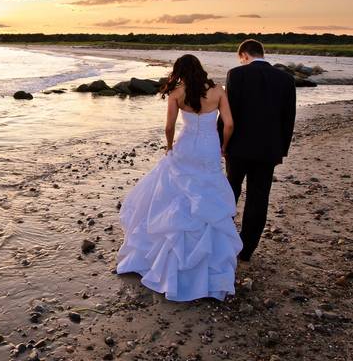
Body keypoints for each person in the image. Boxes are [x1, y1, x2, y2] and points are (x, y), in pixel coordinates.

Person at [116, 54, 242, 301]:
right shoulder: (217, 91)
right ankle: (209, 267)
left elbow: (169, 126)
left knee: (178, 197)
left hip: (185, 147)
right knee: (207, 197)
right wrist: (224, 147)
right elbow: (229, 124)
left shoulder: (176, 93)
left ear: (179, 71)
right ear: (200, 69)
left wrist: (169, 146)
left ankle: (171, 261)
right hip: (208, 148)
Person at [221, 39, 296, 262]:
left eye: (241, 59)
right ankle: (247, 249)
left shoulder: (236, 75)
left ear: (244, 55)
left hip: (238, 148)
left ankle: (223, 239)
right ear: (262, 53)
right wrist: (282, 149)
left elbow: (228, 114)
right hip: (269, 150)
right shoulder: (286, 78)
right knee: (259, 197)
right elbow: (288, 117)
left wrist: (221, 143)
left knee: (229, 192)